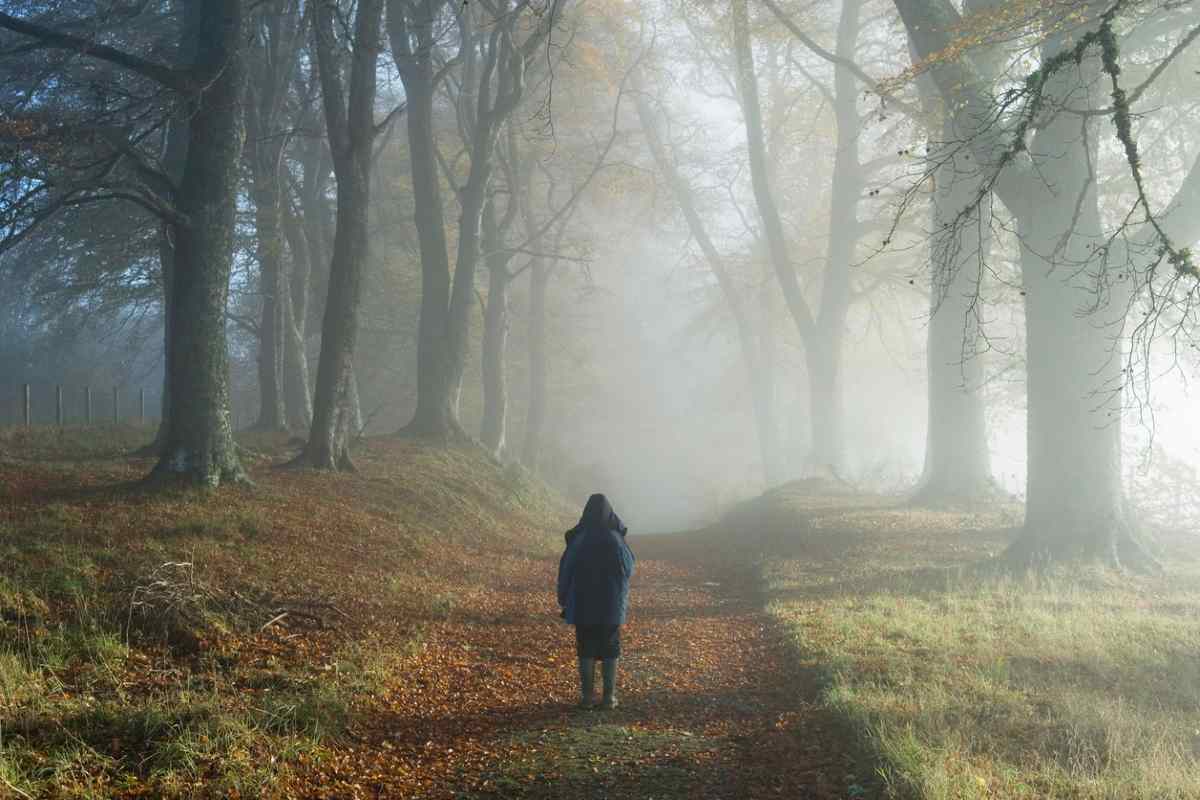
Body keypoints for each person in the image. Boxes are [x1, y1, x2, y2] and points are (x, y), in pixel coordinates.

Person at [557, 493, 635, 710]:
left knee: (586, 647)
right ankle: (609, 698)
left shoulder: (580, 539)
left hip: (583, 603)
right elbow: (629, 569)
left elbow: (566, 570)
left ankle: (587, 698)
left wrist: (563, 598)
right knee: (610, 647)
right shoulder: (616, 539)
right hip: (611, 604)